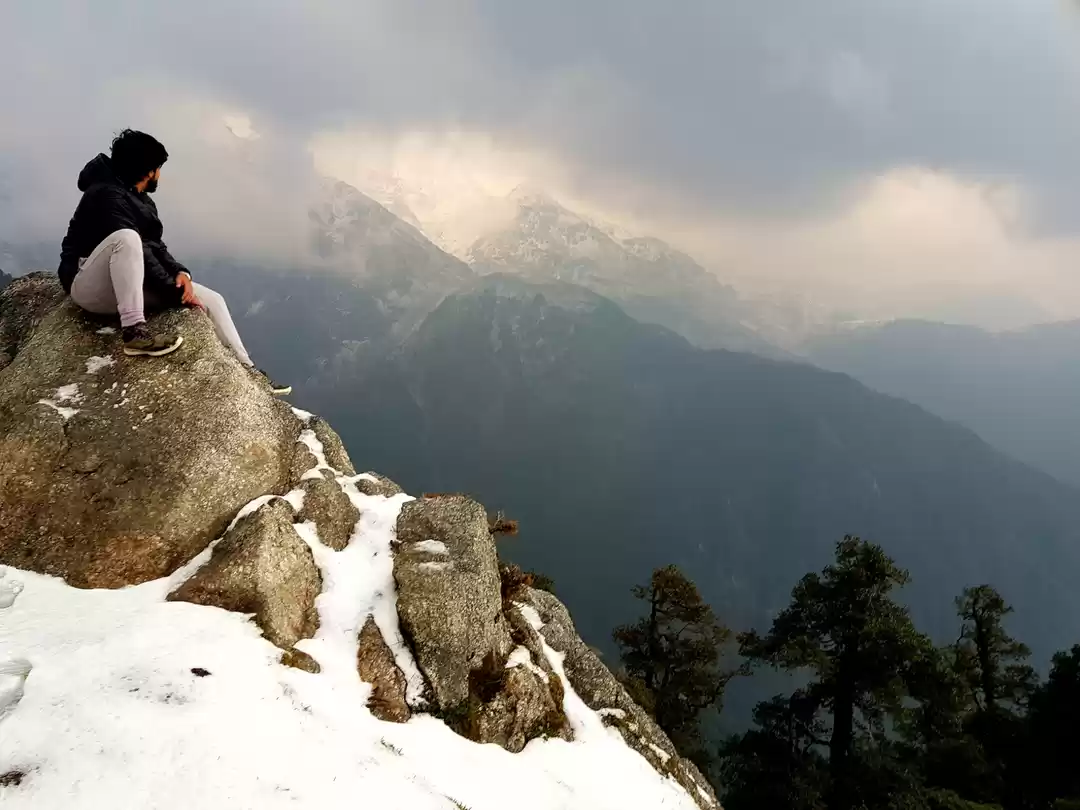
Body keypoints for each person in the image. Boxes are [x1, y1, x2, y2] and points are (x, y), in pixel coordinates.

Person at [58, 129, 290, 395]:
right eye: (158, 168)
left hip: (123, 286)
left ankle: (248, 371)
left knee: (214, 300)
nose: (159, 175)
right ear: (148, 171)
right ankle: (134, 332)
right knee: (126, 238)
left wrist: (181, 274)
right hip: (88, 286)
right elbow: (140, 250)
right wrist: (172, 291)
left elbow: (156, 245)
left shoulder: (140, 199)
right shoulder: (105, 195)